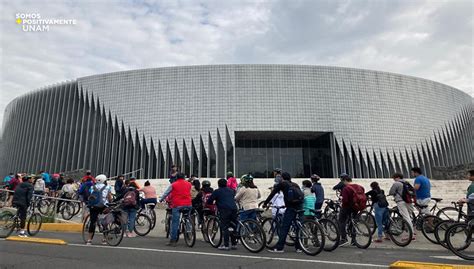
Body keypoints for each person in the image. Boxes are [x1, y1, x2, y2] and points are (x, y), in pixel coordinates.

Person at [263, 172, 304, 253]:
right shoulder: (295, 184)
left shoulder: (282, 184)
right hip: (299, 206)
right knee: (299, 226)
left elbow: (273, 193)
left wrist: (265, 203)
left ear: (282, 178)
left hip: (291, 207)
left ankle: (279, 247)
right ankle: (299, 247)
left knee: (285, 227)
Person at [159, 173, 192, 247]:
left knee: (175, 222)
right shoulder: (189, 184)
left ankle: (173, 240)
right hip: (188, 204)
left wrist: (161, 200)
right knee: (188, 218)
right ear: (184, 177)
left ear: (176, 177)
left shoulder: (173, 184)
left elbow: (166, 193)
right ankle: (189, 232)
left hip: (177, 205)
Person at [206, 178, 238, 250]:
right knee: (233, 225)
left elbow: (209, 201)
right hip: (234, 208)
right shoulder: (231, 191)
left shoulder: (217, 191)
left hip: (224, 210)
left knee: (225, 227)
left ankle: (226, 245)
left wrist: (212, 203)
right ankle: (234, 243)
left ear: (218, 184)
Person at [337, 174, 366, 246]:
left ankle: (344, 239)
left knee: (341, 221)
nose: (343, 183)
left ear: (345, 180)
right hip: (356, 207)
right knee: (353, 221)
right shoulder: (360, 187)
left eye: (343, 181)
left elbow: (345, 200)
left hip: (347, 207)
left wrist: (342, 202)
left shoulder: (346, 188)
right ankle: (353, 240)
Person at [86, 174, 113, 245]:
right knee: (105, 222)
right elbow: (109, 197)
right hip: (103, 206)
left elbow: (90, 196)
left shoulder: (92, 187)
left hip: (93, 206)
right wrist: (111, 203)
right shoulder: (108, 187)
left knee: (92, 222)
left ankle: (89, 239)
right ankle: (104, 239)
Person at [389, 173, 415, 240]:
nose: (394, 180)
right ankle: (412, 232)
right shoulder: (406, 182)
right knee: (409, 216)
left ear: (397, 177)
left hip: (401, 201)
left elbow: (391, 192)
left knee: (406, 218)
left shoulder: (396, 183)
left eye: (394, 178)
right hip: (409, 201)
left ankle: (410, 235)